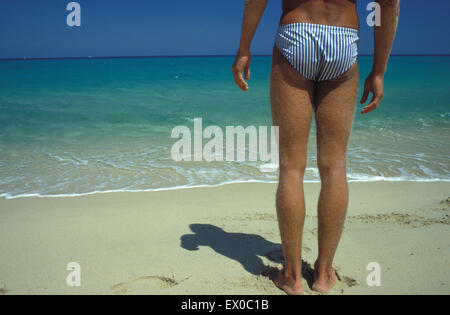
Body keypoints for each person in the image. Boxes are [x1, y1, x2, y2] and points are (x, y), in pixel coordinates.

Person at [232, 0, 399, 295]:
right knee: (334, 166)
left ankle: (293, 278)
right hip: (343, 35)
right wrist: (379, 70)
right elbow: (388, 3)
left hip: (296, 30)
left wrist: (245, 47)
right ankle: (323, 275)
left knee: (291, 167)